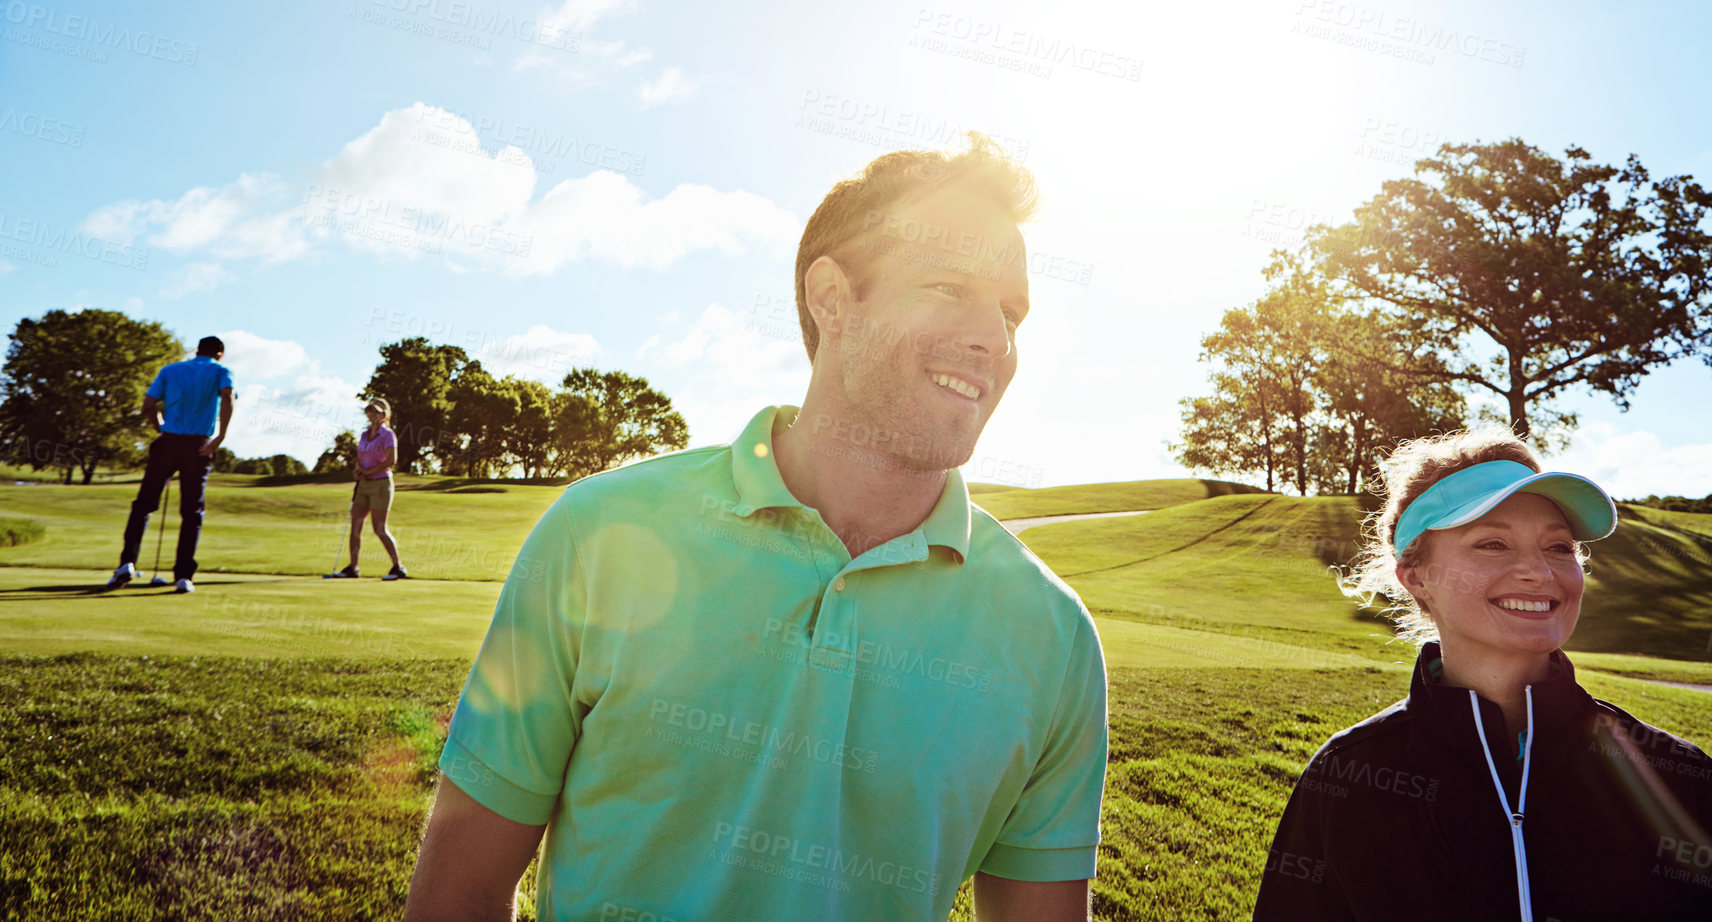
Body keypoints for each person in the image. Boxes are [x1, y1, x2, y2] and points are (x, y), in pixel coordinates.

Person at [404, 137, 1108, 921]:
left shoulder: (1054, 635)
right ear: (832, 299)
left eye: (1011, 312)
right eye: (949, 287)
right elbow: (458, 894)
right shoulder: (598, 532)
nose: (995, 339)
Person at [1253, 428, 1712, 922]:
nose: (1541, 573)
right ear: (1416, 576)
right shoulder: (1347, 779)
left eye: (1560, 547)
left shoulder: (1682, 778)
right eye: (1493, 543)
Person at [105, 335, 235, 595]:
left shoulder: (170, 369)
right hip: (199, 445)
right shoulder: (221, 370)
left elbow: (148, 405)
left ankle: (126, 564)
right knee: (192, 512)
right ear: (219, 353)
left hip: (168, 442)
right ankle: (184, 577)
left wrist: (160, 427)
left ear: (197, 350)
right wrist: (220, 437)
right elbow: (228, 397)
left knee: (143, 504)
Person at [325, 397, 408, 581]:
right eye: (370, 410)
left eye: (377, 411)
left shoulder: (388, 435)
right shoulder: (364, 435)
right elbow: (360, 457)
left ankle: (398, 567)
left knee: (379, 528)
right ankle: (353, 568)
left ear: (383, 414)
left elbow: (391, 460)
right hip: (363, 484)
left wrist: (369, 472)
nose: (372, 414)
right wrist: (357, 471)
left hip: (381, 484)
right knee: (355, 526)